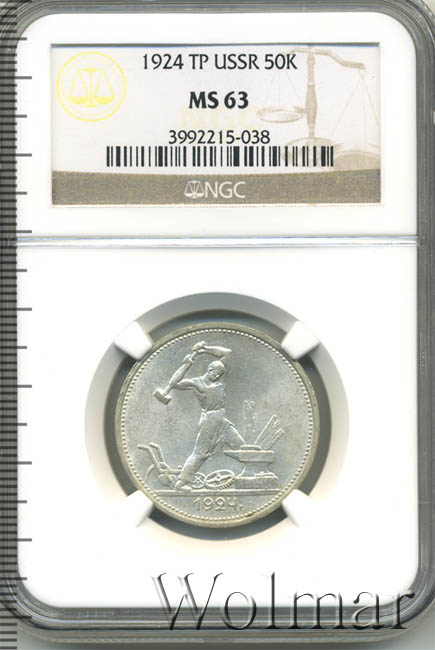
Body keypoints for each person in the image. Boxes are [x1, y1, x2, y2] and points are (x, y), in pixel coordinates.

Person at [171, 341, 244, 491]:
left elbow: (227, 353)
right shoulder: (196, 383)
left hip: (222, 419)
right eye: (215, 373)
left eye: (219, 374)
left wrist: (204, 349)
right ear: (209, 370)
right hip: (209, 421)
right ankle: (181, 483)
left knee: (241, 446)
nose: (217, 376)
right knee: (200, 453)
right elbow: (174, 383)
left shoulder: (220, 377)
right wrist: (185, 365)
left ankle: (249, 474)